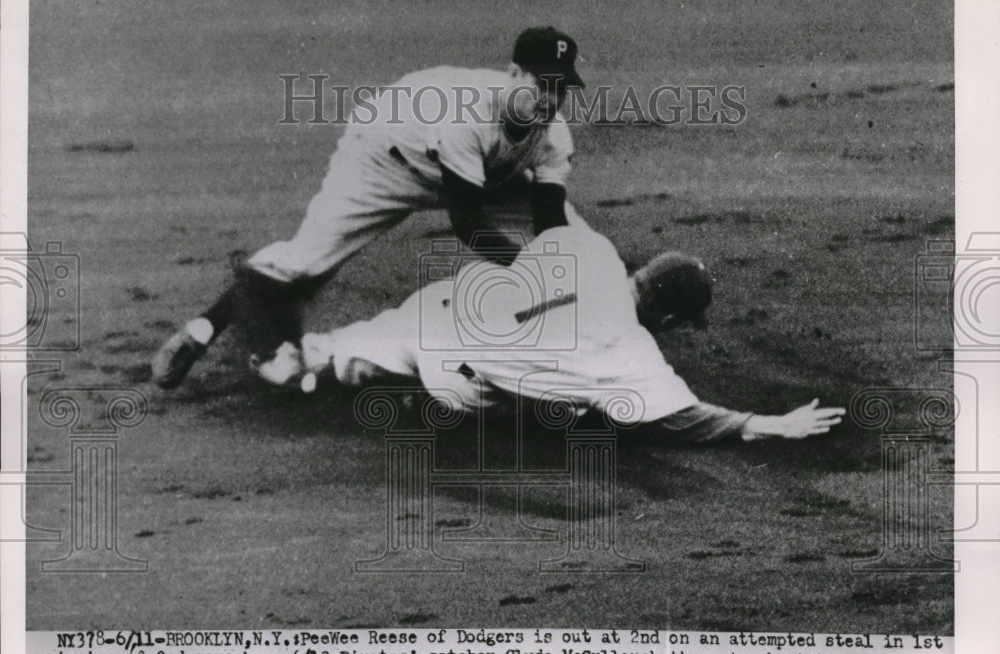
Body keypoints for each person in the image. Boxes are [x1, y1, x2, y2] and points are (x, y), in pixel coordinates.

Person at [152, 26, 588, 389]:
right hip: (385, 156)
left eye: (561, 89)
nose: (550, 100)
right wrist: (532, 273)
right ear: (513, 74)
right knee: (304, 265)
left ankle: (589, 337)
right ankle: (202, 330)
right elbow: (467, 221)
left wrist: (554, 268)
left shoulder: (553, 134)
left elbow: (549, 220)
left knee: (575, 244)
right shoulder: (467, 115)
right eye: (542, 85)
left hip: (477, 174)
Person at [257, 224, 845, 444]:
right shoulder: (631, 349)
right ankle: (409, 396)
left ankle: (307, 360)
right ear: (666, 318)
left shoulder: (589, 245)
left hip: (443, 302)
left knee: (370, 346)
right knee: (565, 407)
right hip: (463, 380)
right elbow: (685, 418)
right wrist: (763, 424)